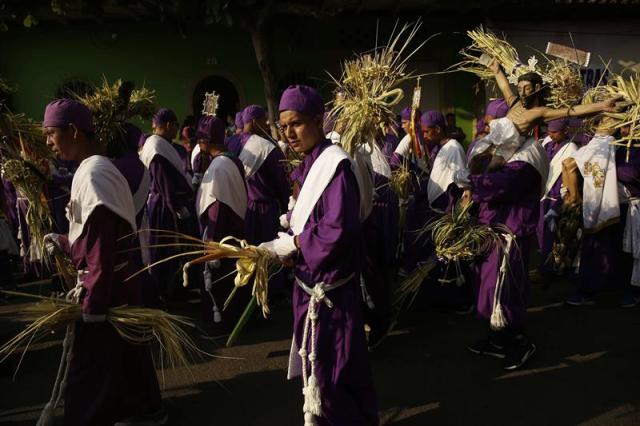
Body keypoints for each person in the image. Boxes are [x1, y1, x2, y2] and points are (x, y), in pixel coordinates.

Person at [261, 85, 378, 425]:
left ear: (318, 120)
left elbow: (337, 230)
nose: (288, 133)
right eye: (283, 125)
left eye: (296, 123)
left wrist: (297, 247)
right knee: (322, 374)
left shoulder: (335, 167)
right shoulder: (310, 163)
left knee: (335, 375)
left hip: (331, 298)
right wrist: (291, 248)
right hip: (310, 287)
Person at [42, 99, 163, 426]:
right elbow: (95, 238)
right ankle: (146, 410)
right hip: (118, 283)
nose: (49, 143)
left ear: (73, 131)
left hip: (108, 289)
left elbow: (99, 249)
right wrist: (65, 242)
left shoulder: (95, 173)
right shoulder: (97, 168)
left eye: (51, 134)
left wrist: (92, 307)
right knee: (127, 357)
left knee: (91, 373)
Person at [194, 115, 250, 332]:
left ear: (206, 141)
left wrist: (212, 240)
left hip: (222, 232)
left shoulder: (218, 166)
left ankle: (220, 322)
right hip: (235, 228)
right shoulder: (231, 159)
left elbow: (217, 205)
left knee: (219, 281)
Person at [139, 107, 196, 303]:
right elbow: (163, 182)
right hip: (164, 205)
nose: (177, 131)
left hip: (165, 203)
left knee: (170, 249)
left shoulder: (159, 144)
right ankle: (164, 292)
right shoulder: (156, 147)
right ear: (169, 125)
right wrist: (178, 208)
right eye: (176, 126)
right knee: (164, 249)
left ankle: (172, 289)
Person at [535, 119, 577, 278]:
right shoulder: (547, 146)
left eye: (554, 132)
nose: (550, 135)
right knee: (542, 236)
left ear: (565, 131)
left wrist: (560, 204)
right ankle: (544, 267)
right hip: (544, 196)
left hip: (557, 199)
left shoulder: (571, 148)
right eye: (549, 132)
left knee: (555, 237)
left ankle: (549, 270)